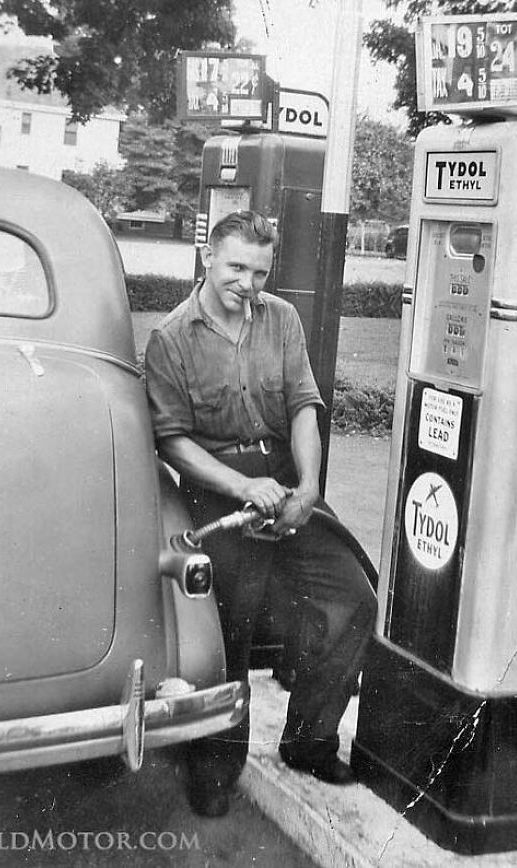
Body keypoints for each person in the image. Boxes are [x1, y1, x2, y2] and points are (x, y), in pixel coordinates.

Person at [144, 211, 377, 818]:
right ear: (208, 259)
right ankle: (216, 767)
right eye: (235, 267)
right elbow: (171, 441)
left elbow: (303, 405)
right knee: (229, 633)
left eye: (259, 271)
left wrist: (307, 486)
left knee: (352, 597)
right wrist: (243, 486)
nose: (247, 283)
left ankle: (309, 743)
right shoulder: (172, 338)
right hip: (218, 491)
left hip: (283, 483)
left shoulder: (283, 319)